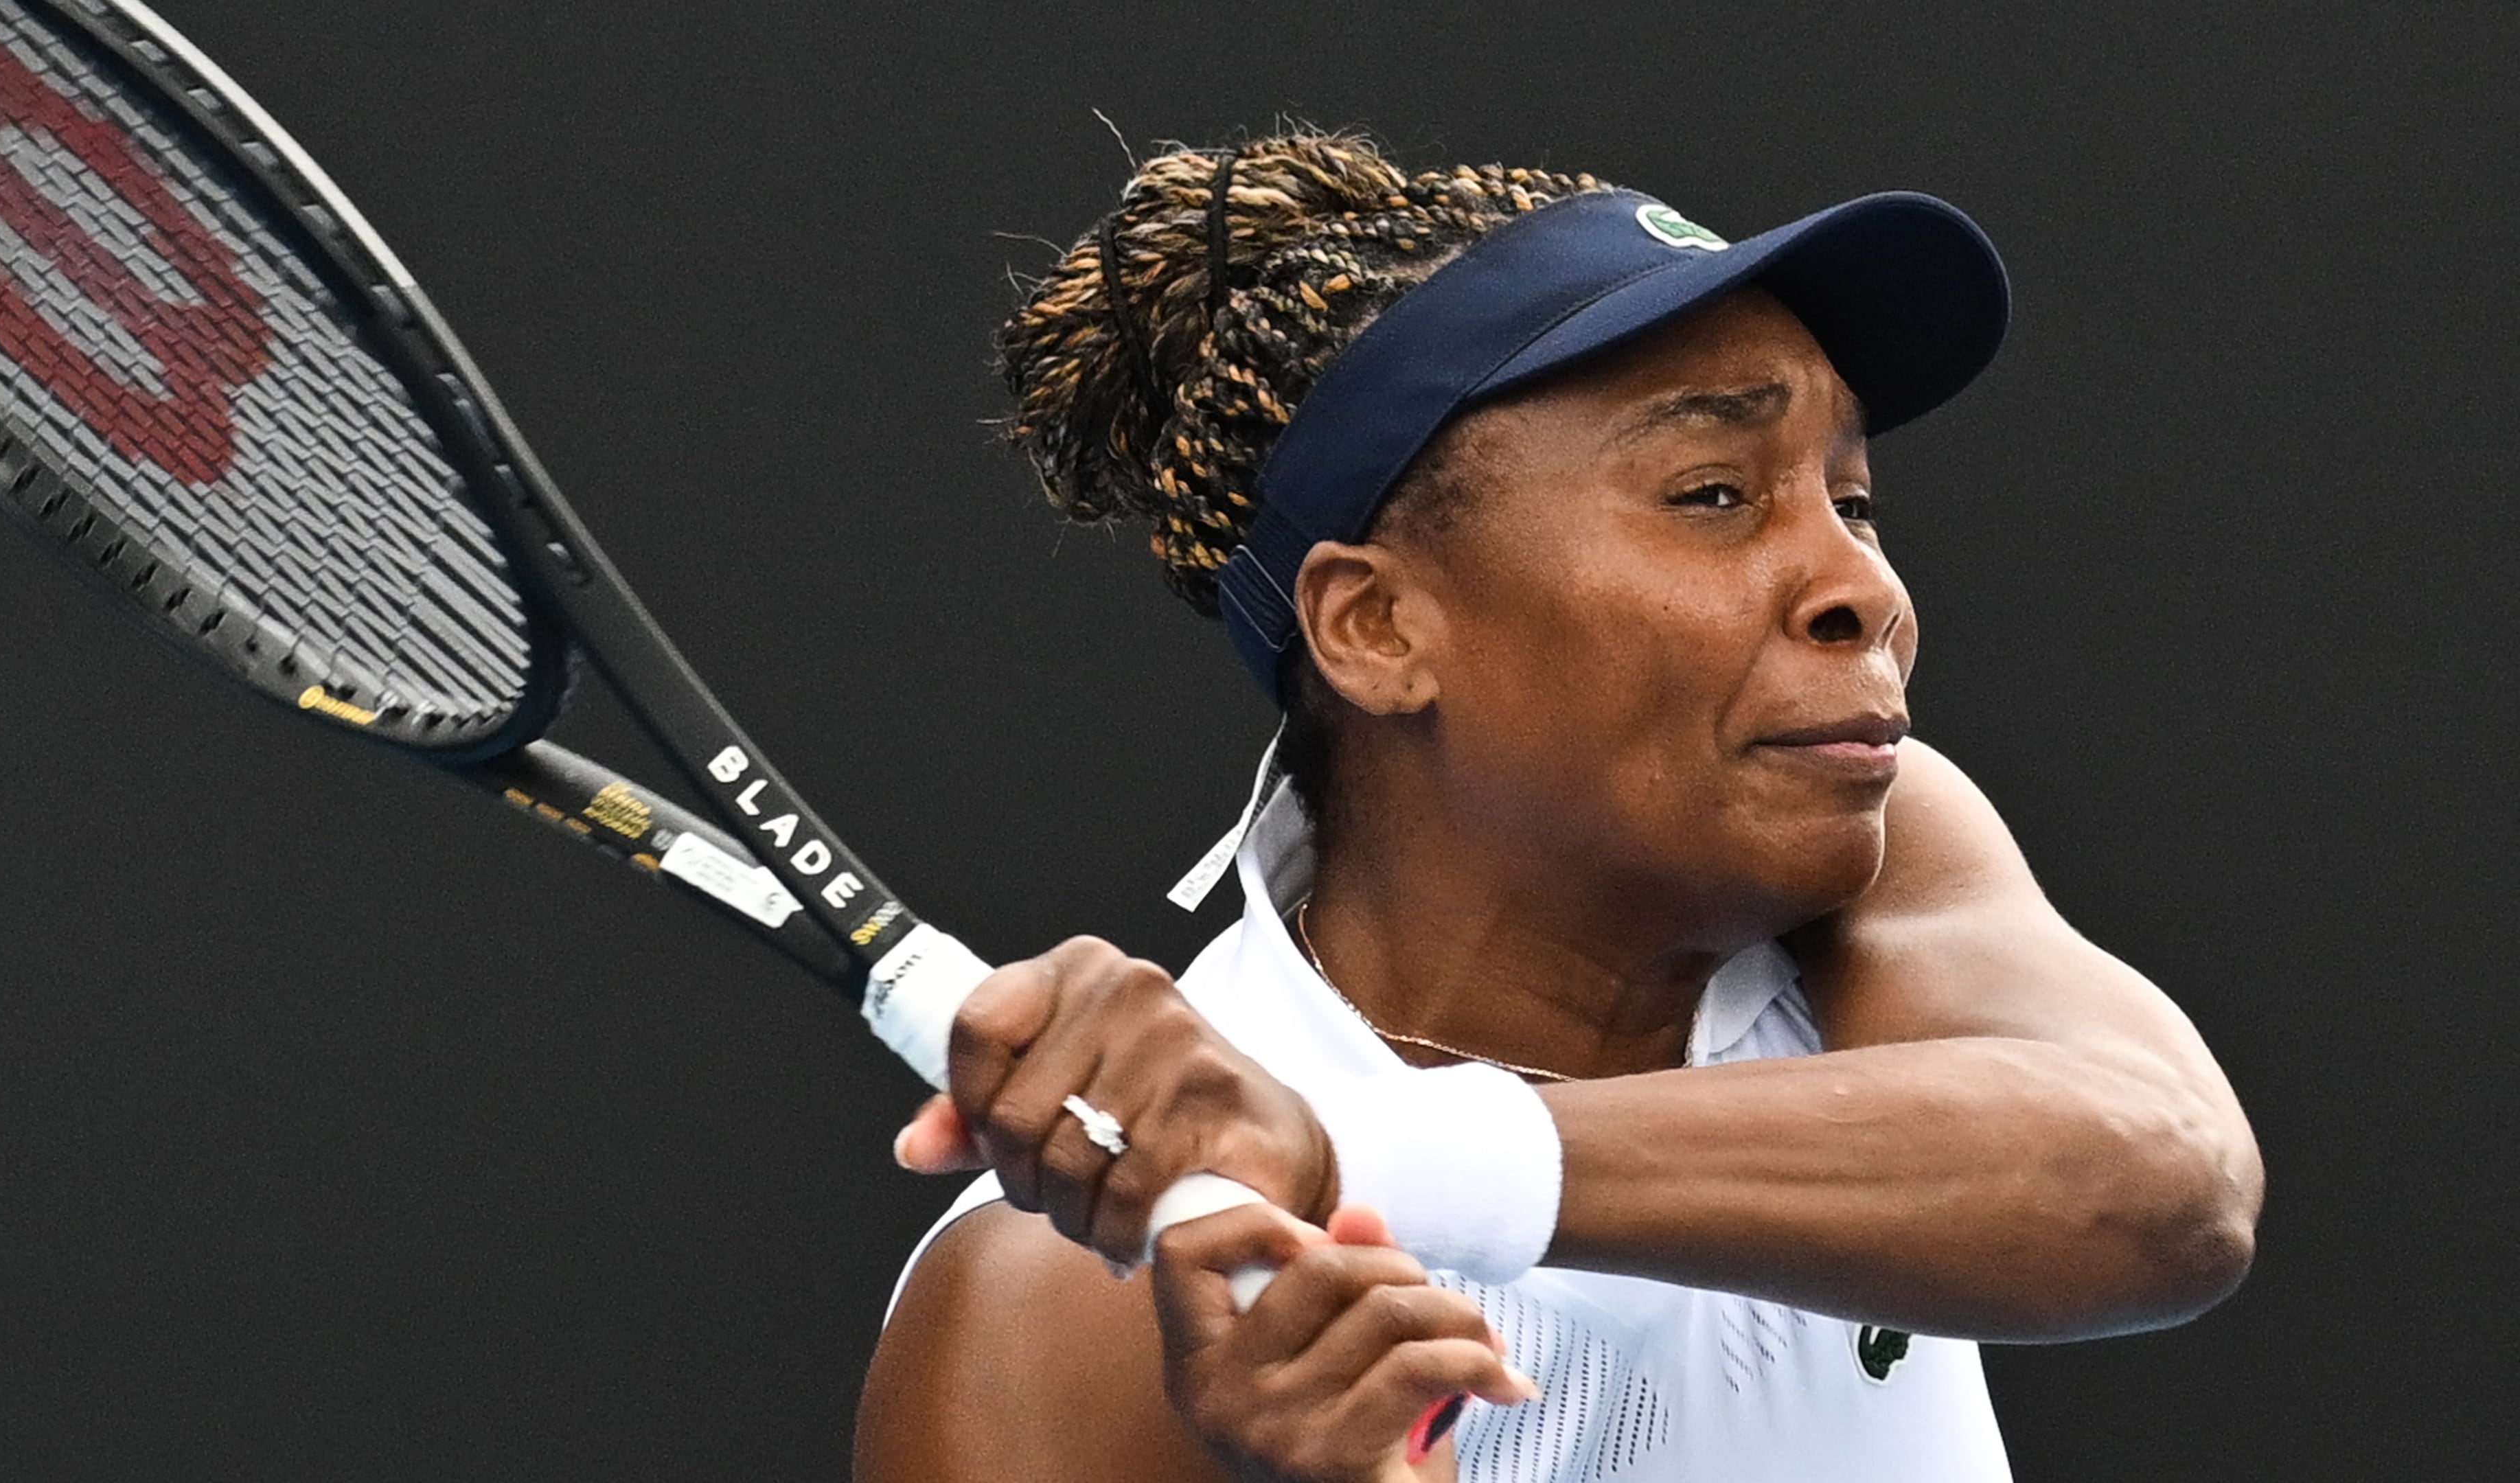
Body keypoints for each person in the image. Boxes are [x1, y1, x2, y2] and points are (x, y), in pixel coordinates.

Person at [854, 133, 2261, 1482]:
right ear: (1379, 627)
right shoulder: (1052, 1316)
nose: (1869, 593)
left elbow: (2165, 1184)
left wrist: (1354, 1151)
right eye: (1715, 492)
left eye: (1853, 499)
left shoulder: (1878, 855)